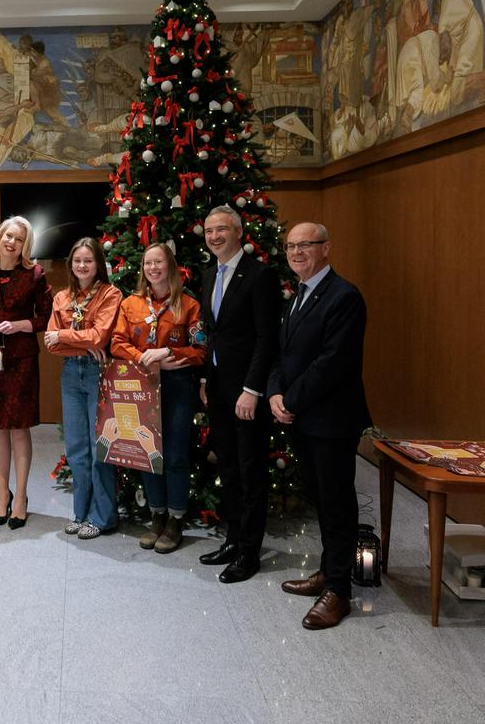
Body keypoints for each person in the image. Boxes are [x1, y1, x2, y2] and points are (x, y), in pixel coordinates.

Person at [268, 223, 371, 630]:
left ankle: (339, 591)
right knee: (321, 498)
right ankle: (329, 571)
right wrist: (275, 393)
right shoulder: (297, 295)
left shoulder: (344, 297)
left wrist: (289, 401)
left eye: (305, 245)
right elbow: (282, 354)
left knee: (337, 502)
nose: (296, 252)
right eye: (291, 246)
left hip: (331, 420)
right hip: (301, 418)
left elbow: (333, 362)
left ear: (326, 248)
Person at [198, 205, 281, 583]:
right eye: (209, 231)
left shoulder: (260, 275)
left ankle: (250, 552)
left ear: (238, 232)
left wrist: (252, 389)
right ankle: (233, 539)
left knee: (250, 471)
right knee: (228, 468)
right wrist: (205, 380)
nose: (214, 236)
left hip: (247, 392)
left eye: (221, 230)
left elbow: (267, 338)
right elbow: (212, 334)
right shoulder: (208, 274)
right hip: (218, 388)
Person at [110, 242, 205, 554]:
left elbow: (201, 349)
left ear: (171, 267)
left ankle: (175, 519)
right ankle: (156, 515)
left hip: (178, 386)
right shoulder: (131, 304)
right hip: (142, 385)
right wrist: (144, 358)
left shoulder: (188, 305)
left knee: (175, 455)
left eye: (159, 262)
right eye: (148, 263)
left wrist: (168, 352)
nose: (153, 268)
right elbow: (117, 342)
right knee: (147, 451)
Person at [0, 216, 51, 530]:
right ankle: (2, 494)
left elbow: (47, 317)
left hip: (21, 360)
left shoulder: (35, 274)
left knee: (18, 427)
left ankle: (21, 498)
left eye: (18, 239)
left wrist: (18, 325)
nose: (11, 242)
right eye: (8, 235)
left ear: (25, 245)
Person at [44, 237, 122, 539]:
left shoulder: (110, 294)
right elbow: (51, 344)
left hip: (98, 373)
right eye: (77, 261)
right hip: (70, 373)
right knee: (76, 448)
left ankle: (102, 517)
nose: (82, 265)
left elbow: (100, 336)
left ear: (98, 264)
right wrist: (83, 344)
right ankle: (81, 513)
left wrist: (66, 336)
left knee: (98, 446)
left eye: (88, 260)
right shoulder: (62, 297)